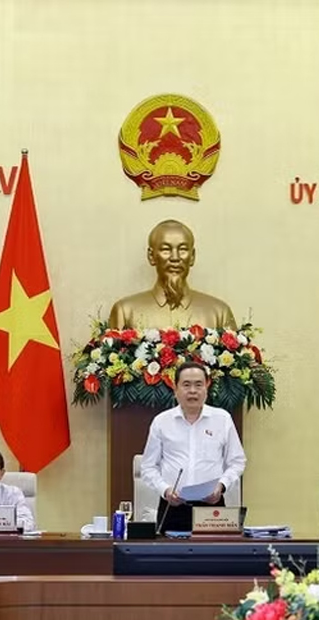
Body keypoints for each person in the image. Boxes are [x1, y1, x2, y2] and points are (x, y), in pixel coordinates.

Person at [139, 361, 246, 533]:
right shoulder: (162, 421)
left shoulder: (222, 419)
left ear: (207, 387)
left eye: (198, 384)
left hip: (212, 507)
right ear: (176, 389)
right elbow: (148, 467)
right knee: (169, 557)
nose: (193, 391)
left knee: (212, 557)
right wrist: (165, 490)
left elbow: (237, 462)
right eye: (186, 385)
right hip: (172, 507)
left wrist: (222, 486)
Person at [108, 219, 237, 330]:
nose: (175, 258)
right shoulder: (125, 311)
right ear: (151, 256)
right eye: (166, 249)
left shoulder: (218, 312)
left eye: (182, 249)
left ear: (192, 257)